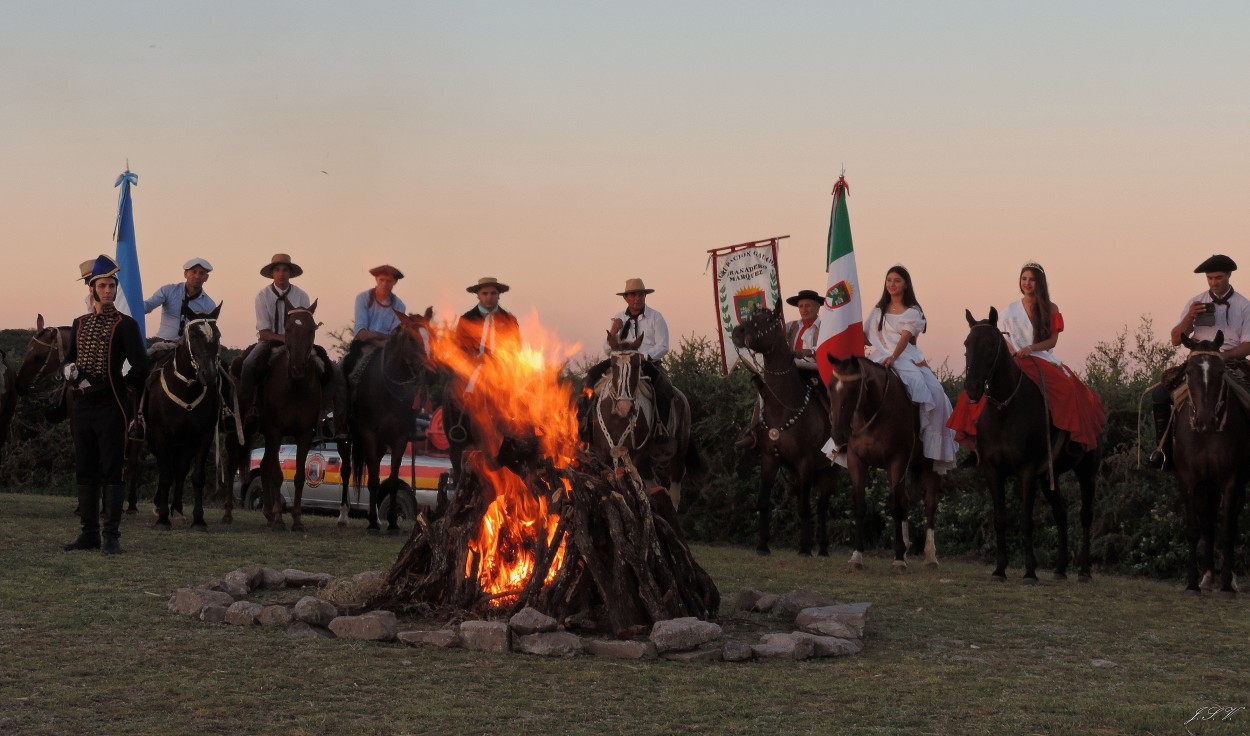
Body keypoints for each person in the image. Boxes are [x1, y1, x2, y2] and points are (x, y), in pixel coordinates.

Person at [948, 262, 1105, 456]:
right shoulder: (1009, 310)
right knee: (972, 391)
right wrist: (1014, 351)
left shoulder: (1051, 308)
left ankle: (1071, 439)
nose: (1027, 283)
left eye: (1032, 279)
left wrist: (1031, 348)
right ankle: (978, 445)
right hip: (1015, 358)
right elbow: (1003, 338)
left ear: (1039, 283)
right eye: (1024, 279)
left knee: (1069, 389)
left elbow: (1052, 340)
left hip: (1041, 356)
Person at [62, 255, 149, 554]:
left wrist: (122, 384)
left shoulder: (126, 325)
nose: (108, 290)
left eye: (112, 285)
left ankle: (111, 535)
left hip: (111, 405)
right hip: (83, 405)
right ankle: (89, 533)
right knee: (85, 466)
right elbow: (68, 357)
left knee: (112, 467)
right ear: (92, 288)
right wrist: (68, 371)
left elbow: (141, 365)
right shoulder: (80, 323)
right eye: (103, 285)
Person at [1147, 254, 1250, 468]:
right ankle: (1163, 453)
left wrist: (1222, 356)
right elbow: (1176, 339)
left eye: (1218, 277)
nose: (1214, 282)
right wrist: (1189, 318)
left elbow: (1248, 345)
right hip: (1197, 360)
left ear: (1229, 275)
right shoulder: (1196, 302)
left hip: (1230, 361)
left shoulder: (1244, 305)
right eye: (1210, 278)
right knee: (1159, 394)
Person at [863, 266, 957, 472]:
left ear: (905, 284)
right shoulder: (877, 310)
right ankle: (844, 443)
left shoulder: (913, 311)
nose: (892, 284)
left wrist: (893, 357)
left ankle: (926, 440)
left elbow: (906, 338)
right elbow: (864, 336)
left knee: (936, 394)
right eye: (888, 280)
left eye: (896, 280)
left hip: (904, 356)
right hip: (877, 355)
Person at [237, 254, 342, 431]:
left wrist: (298, 341)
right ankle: (247, 411)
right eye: (277, 270)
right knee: (248, 364)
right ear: (272, 273)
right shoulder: (262, 296)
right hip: (270, 341)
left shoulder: (302, 295)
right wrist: (285, 339)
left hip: (299, 344)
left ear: (290, 273)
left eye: (285, 270)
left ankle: (324, 411)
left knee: (332, 368)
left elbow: (307, 326)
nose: (281, 274)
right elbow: (263, 331)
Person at [579, 278, 673, 443]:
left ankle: (661, 429)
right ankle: (587, 427)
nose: (637, 298)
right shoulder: (619, 318)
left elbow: (663, 345)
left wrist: (645, 356)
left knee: (664, 387)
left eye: (640, 294)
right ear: (626, 298)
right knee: (590, 378)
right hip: (620, 361)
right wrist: (614, 331)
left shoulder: (655, 317)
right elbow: (607, 349)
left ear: (645, 296)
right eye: (633, 295)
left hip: (646, 361)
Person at [734, 289, 823, 450]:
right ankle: (753, 432)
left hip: (813, 366)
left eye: (808, 306)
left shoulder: (824, 327)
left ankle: (838, 432)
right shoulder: (790, 326)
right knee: (764, 390)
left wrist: (809, 351)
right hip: (791, 368)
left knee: (830, 392)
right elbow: (774, 334)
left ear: (817, 308)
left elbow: (827, 346)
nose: (804, 309)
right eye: (801, 306)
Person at [341, 265, 408, 384]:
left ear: (395, 283)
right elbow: (361, 334)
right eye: (382, 280)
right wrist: (379, 337)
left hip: (387, 348)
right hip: (362, 346)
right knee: (344, 371)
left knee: (405, 376)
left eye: (389, 281)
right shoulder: (363, 298)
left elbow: (394, 337)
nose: (385, 284)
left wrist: (372, 335)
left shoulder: (399, 306)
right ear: (376, 279)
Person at [143, 258, 216, 350]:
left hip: (188, 350)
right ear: (185, 274)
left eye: (201, 273)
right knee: (141, 363)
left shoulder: (209, 305)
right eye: (193, 272)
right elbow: (147, 306)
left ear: (206, 278)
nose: (197, 276)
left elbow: (207, 332)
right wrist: (129, 302)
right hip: (161, 346)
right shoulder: (168, 291)